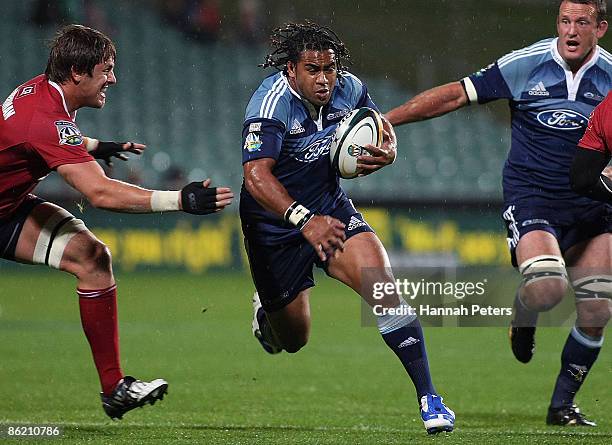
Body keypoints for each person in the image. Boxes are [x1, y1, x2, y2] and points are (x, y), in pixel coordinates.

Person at [385, 0, 611, 426]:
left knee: (597, 308)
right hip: (534, 197)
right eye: (565, 20)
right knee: (547, 290)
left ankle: (562, 405)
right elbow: (456, 93)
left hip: (595, 203)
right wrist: (387, 120)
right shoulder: (525, 64)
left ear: (600, 27)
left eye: (582, 22)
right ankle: (523, 316)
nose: (571, 30)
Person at [0, 24, 234, 420]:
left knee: (91, 258)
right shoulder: (44, 117)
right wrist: (180, 199)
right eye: (106, 69)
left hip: (7, 209)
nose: (114, 78)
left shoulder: (44, 92)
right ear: (77, 72)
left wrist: (94, 145)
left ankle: (115, 389)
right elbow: (101, 193)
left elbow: (46, 135)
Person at [239, 21, 455, 434]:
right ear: (291, 71)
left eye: (329, 68)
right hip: (274, 228)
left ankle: (430, 399)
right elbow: (256, 177)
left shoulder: (350, 89)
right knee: (294, 339)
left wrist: (387, 152)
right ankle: (267, 315)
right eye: (312, 70)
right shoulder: (270, 104)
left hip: (330, 208)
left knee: (385, 288)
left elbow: (379, 130)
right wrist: (303, 221)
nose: (324, 79)